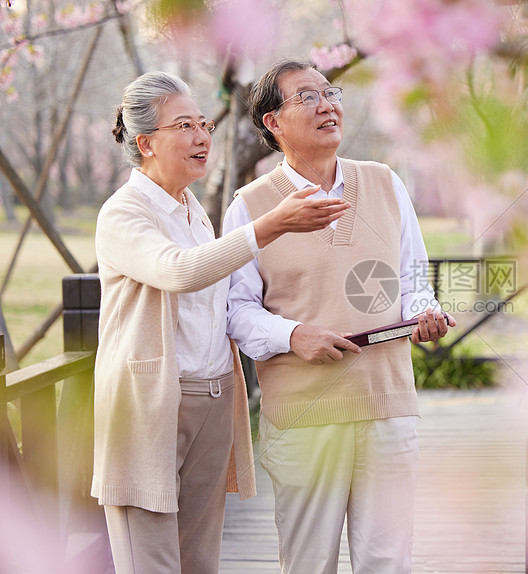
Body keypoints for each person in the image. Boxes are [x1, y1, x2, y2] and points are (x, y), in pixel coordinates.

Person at [91, 70, 349, 574]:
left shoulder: (193, 210)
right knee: (152, 561)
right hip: (149, 404)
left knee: (200, 561)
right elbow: (180, 272)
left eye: (204, 123)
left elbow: (222, 300)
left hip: (212, 398)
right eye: (184, 125)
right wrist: (269, 225)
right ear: (145, 143)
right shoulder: (122, 213)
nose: (202, 136)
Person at [223, 59, 455, 574]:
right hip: (305, 416)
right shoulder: (251, 207)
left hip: (386, 405)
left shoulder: (385, 183)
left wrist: (424, 312)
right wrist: (293, 335)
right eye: (307, 97)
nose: (328, 105)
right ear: (272, 123)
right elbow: (236, 310)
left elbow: (414, 279)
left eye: (330, 93)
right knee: (308, 564)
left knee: (388, 561)